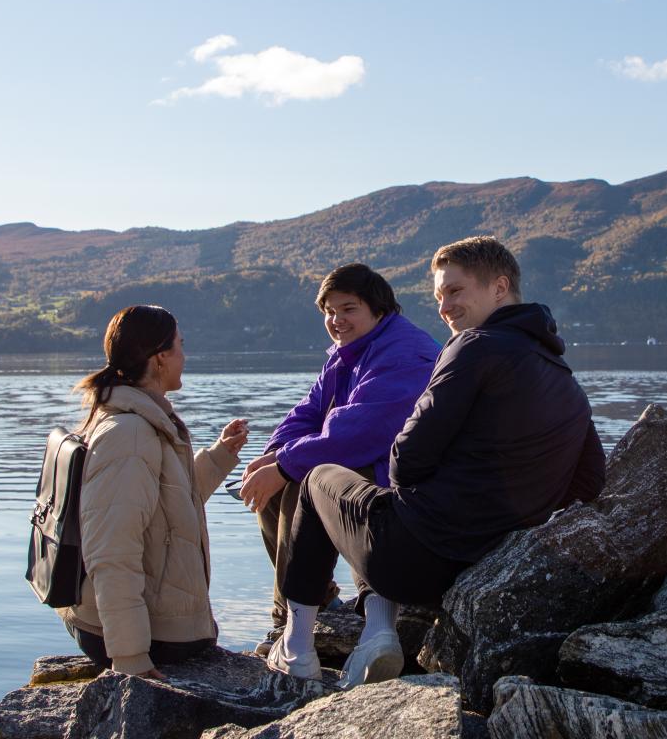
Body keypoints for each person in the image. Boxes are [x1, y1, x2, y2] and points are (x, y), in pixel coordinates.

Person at [265, 236, 607, 687]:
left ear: (499, 288)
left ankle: (297, 647)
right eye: (439, 295)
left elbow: (407, 458)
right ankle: (375, 631)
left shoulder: (473, 348)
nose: (444, 307)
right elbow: (589, 481)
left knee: (317, 477)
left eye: (455, 291)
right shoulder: (565, 378)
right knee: (360, 487)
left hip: (418, 557)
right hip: (492, 559)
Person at [237, 263, 441, 654]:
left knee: (300, 484)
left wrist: (285, 467)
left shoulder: (404, 354)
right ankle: (323, 599)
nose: (336, 320)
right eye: (329, 311)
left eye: (348, 309)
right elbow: (310, 410)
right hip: (368, 461)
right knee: (272, 492)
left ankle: (290, 620)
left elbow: (362, 431)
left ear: (379, 309)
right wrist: (272, 457)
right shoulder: (350, 352)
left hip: (404, 480)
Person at [59, 305, 249, 678]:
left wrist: (218, 457)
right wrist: (131, 658)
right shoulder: (129, 435)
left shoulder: (138, 419)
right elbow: (112, 548)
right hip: (149, 636)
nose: (184, 355)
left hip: (152, 626)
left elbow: (169, 503)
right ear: (160, 358)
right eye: (180, 346)